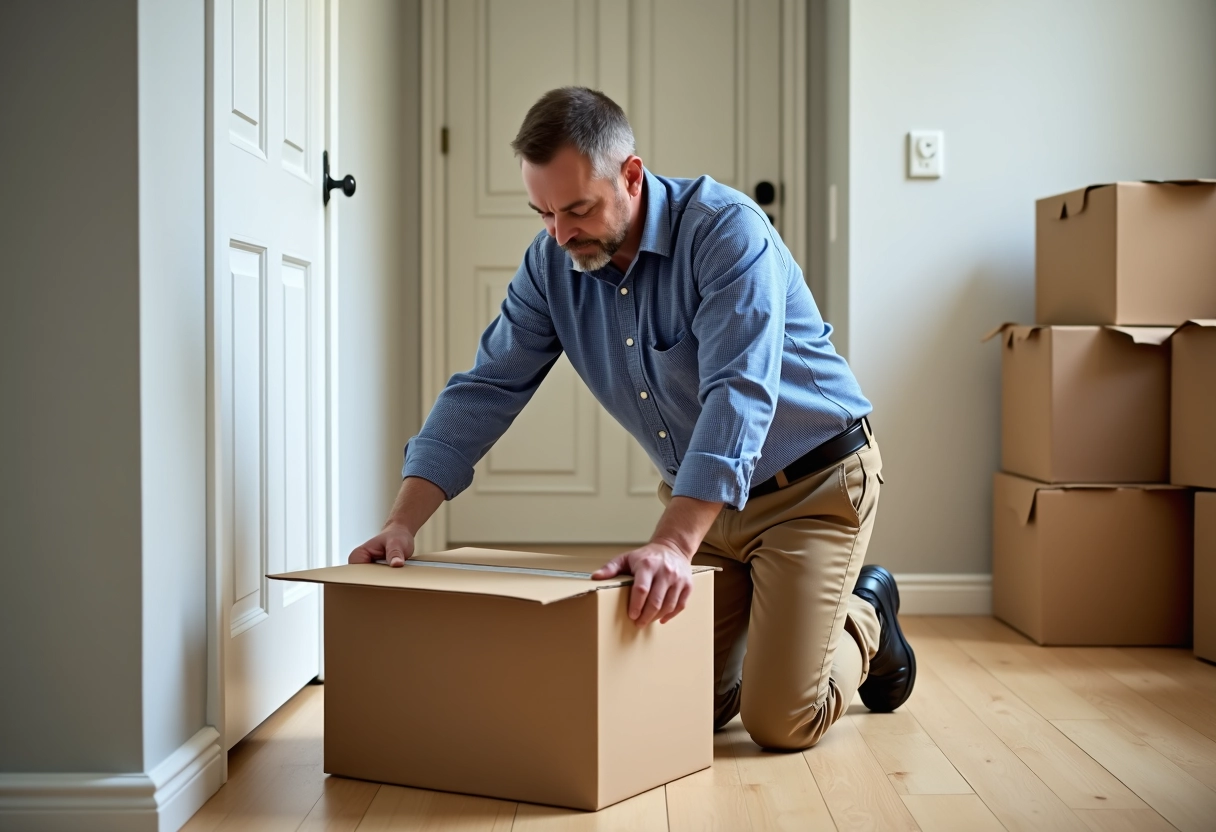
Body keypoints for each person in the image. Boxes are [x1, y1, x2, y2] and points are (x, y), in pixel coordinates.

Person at [349, 87, 915, 751]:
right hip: (705, 506)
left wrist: (671, 545)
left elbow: (738, 391)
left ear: (632, 175)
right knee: (677, 704)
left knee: (779, 719)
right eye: (543, 213)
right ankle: (783, 628)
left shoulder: (726, 231)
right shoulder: (550, 264)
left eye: (577, 209)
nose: (560, 234)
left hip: (813, 489)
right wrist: (401, 523)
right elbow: (485, 388)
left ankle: (865, 610)